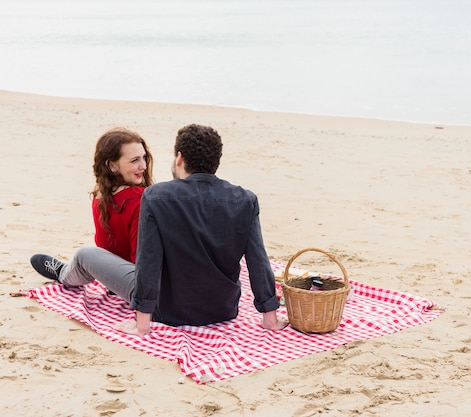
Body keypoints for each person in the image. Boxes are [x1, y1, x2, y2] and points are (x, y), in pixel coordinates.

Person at [31, 124, 288, 335]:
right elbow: (258, 261)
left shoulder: (156, 196)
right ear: (216, 161)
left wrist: (141, 324)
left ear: (179, 158)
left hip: (168, 311)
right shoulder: (245, 199)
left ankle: (65, 273)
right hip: (222, 309)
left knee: (87, 254)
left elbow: (148, 260)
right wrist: (270, 318)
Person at [30, 127, 153, 286]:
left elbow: (142, 259)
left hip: (135, 281)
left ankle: (63, 272)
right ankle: (66, 271)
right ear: (113, 166)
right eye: (135, 160)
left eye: (144, 158)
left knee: (85, 256)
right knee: (87, 256)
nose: (143, 165)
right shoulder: (128, 197)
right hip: (128, 277)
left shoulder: (106, 194)